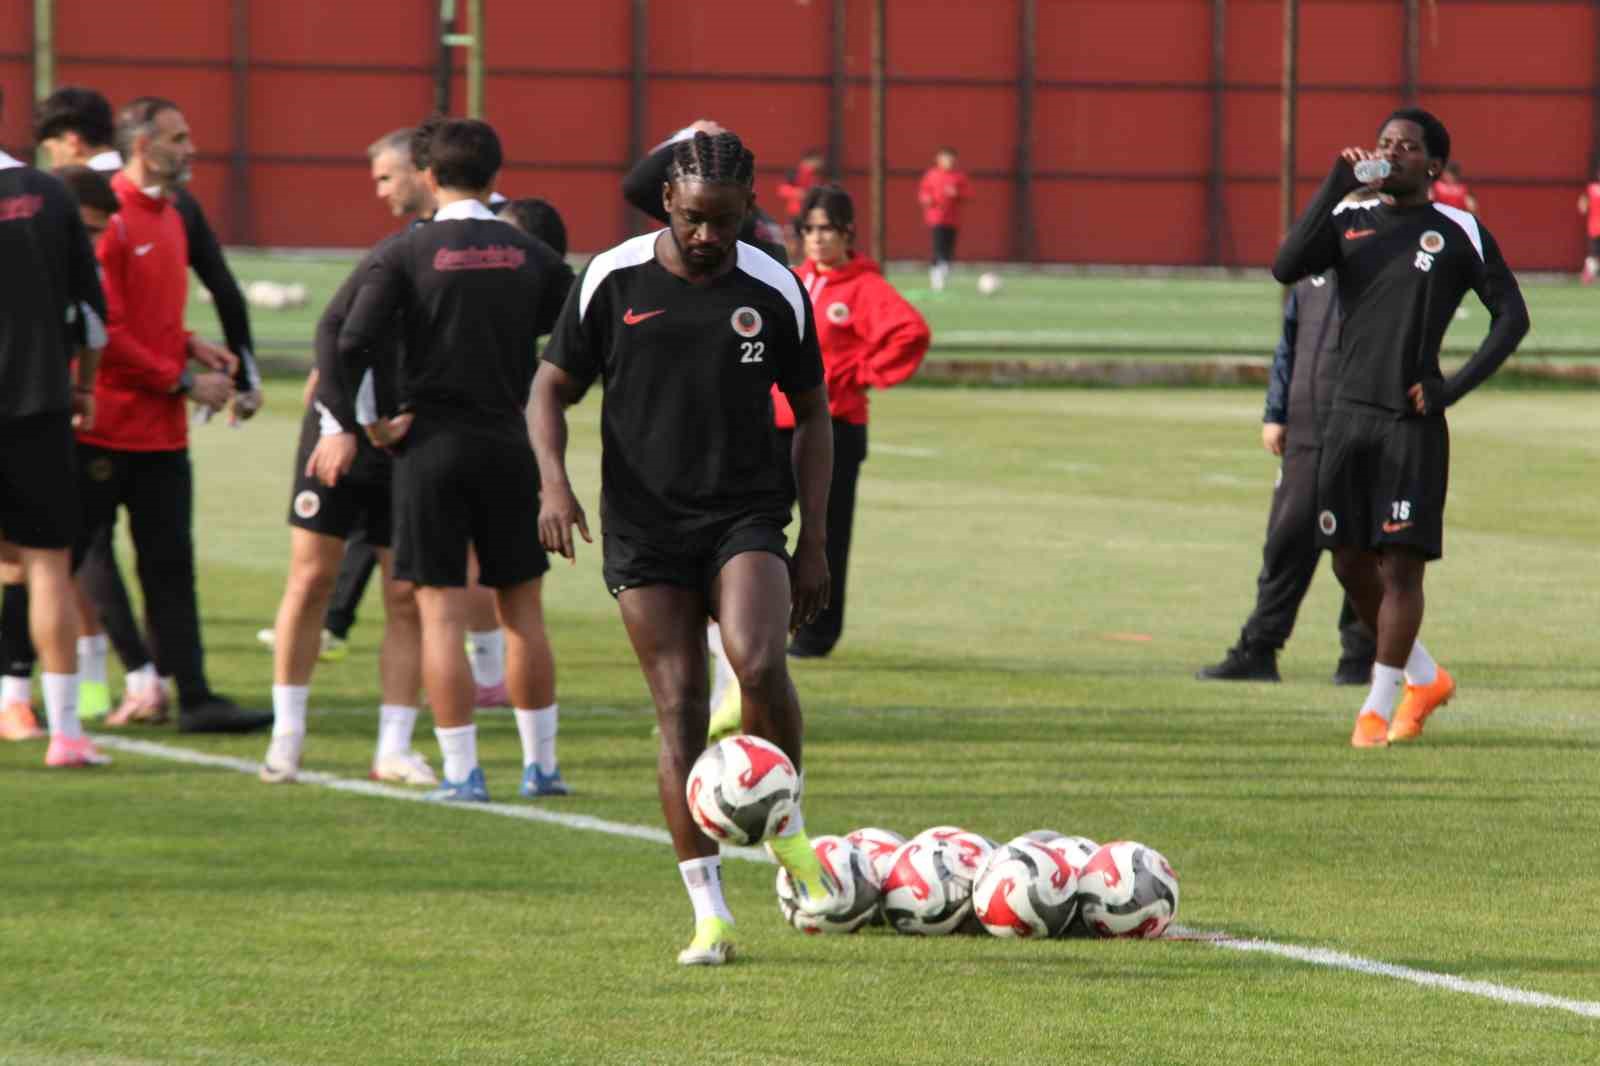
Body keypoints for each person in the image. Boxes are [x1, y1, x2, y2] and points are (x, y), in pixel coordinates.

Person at [533, 129, 845, 966]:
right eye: (695, 219)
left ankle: (787, 831)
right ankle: (710, 916)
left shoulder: (773, 285)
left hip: (745, 513)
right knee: (677, 707)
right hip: (645, 527)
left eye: (726, 221)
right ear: (666, 200)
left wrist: (815, 539)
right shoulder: (613, 278)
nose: (709, 236)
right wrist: (553, 484)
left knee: (759, 662)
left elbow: (814, 411)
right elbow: (550, 388)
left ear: (749, 211)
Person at [1271, 108, 1529, 748]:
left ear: (1433, 165)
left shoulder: (1458, 229)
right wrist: (1337, 182)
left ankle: (1376, 709)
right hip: (1347, 417)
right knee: (1348, 560)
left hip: (1410, 424)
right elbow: (1286, 264)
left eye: (1406, 146)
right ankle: (1424, 677)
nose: (1390, 152)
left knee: (1402, 570)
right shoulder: (1350, 219)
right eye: (1384, 142)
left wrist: (1450, 388)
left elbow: (1512, 318)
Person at [336, 118, 575, 802]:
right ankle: (541, 768)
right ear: (496, 178)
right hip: (510, 442)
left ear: (428, 176)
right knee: (522, 610)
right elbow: (576, 334)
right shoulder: (529, 252)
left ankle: (463, 772)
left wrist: (368, 422)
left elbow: (350, 342)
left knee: (440, 614)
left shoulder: (405, 252)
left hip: (429, 447)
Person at [30, 86, 262, 724]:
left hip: (163, 431)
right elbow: (104, 326)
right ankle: (87, 681)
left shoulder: (173, 213)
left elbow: (148, 315)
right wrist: (183, 380)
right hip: (104, 423)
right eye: (178, 138)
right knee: (80, 556)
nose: (191, 149)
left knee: (171, 566)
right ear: (142, 145)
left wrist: (191, 344)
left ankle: (195, 696)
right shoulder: (106, 217)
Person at [258, 127, 448, 787]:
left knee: (405, 596)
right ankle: (287, 737)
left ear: (425, 172)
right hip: (342, 432)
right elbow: (336, 334)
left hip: (407, 442)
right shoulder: (394, 252)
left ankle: (393, 747)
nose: (382, 191)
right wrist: (344, 424)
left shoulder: (473, 246)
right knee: (311, 579)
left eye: (388, 177)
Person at [0, 87, 112, 765]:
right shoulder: (49, 193)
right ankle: (67, 732)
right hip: (38, 404)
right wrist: (85, 386)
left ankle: (11, 699)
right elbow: (92, 316)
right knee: (46, 563)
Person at [1196, 269, 1376, 685]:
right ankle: (1259, 650)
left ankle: (1359, 658)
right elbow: (1288, 349)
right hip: (1305, 436)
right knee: (1285, 543)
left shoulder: (1383, 278)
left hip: (1359, 436)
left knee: (1361, 548)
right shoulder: (1308, 282)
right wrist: (1276, 413)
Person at [622, 118, 789, 265]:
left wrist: (691, 136)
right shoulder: (748, 214)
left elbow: (636, 185)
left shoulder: (720, 211)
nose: (705, 236)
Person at [917, 146, 970, 292]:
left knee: (948, 250)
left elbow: (968, 194)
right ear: (939, 159)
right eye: (946, 158)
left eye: (951, 159)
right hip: (936, 218)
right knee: (938, 248)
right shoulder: (931, 175)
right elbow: (923, 192)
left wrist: (957, 193)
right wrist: (926, 199)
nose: (948, 162)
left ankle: (944, 275)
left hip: (953, 219)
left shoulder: (958, 176)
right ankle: (936, 279)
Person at [775, 148, 825, 262]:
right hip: (795, 213)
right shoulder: (796, 172)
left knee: (807, 240)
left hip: (808, 214)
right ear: (809, 160)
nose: (820, 164)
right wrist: (798, 193)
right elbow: (782, 189)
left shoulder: (815, 176)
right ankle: (788, 263)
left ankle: (804, 264)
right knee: (792, 240)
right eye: (818, 160)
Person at [1576, 164, 1600, 283]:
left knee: (1594, 253)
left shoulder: (1591, 189)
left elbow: (1582, 207)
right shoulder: (1592, 189)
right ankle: (1589, 275)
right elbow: (1583, 206)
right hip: (1595, 228)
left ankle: (1589, 275)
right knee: (1594, 253)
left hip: (1594, 227)